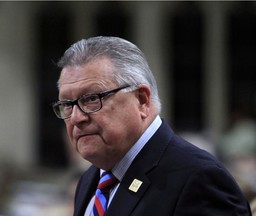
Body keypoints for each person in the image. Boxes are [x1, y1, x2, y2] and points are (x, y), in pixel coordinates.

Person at [52, 36, 252, 215]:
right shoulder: (90, 179)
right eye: (67, 104)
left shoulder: (198, 179)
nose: (77, 118)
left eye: (92, 99)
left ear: (142, 100)